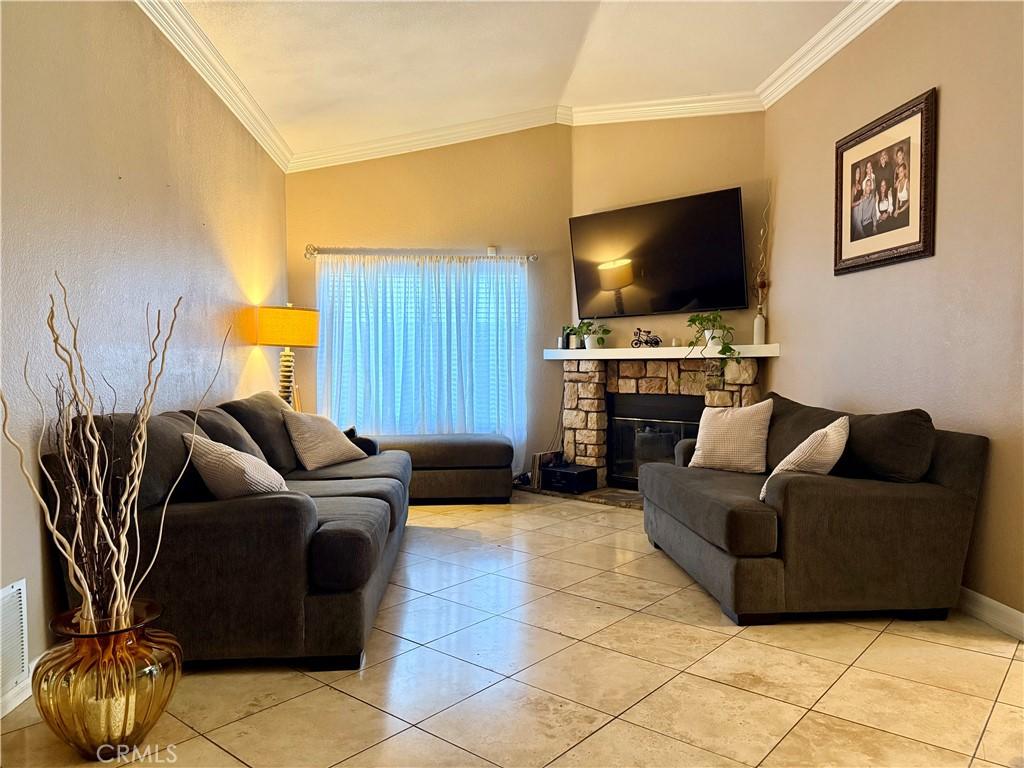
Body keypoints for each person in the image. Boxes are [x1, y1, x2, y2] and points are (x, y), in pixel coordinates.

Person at [893, 161, 911, 227]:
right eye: (899, 173)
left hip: (906, 208)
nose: (899, 174)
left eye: (901, 172)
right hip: (899, 208)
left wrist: (900, 211)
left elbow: (909, 201)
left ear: (904, 172)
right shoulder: (898, 183)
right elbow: (897, 200)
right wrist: (896, 209)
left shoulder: (907, 183)